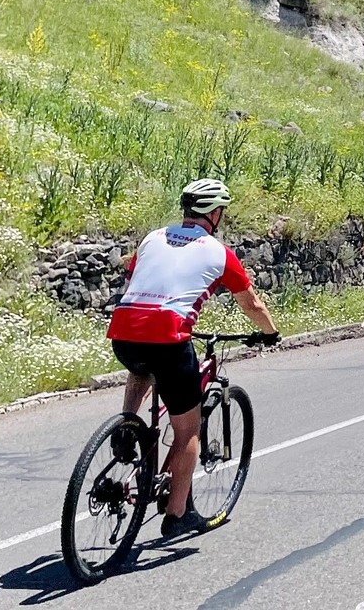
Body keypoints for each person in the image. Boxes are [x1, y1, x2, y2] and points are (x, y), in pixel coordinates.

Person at [106, 178, 279, 539]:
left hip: (123, 329)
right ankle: (178, 514)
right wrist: (270, 333)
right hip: (168, 337)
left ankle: (127, 425)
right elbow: (252, 304)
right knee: (188, 431)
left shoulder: (153, 237)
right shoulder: (218, 252)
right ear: (215, 214)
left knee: (142, 368)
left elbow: (137, 275)